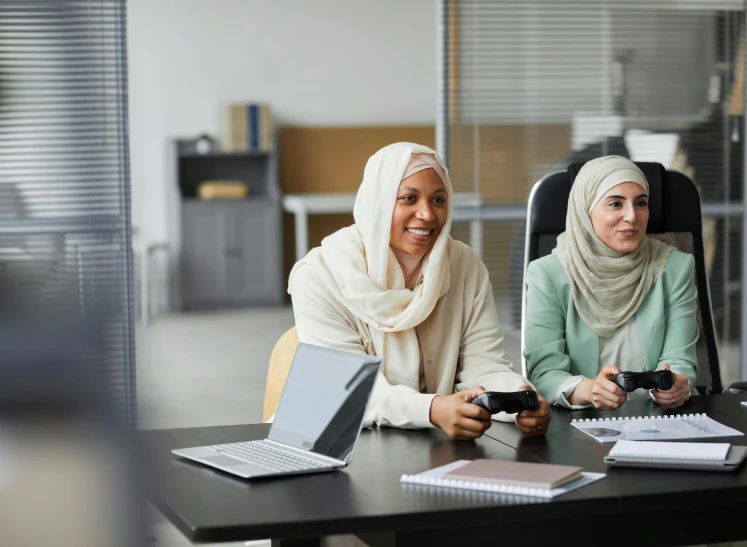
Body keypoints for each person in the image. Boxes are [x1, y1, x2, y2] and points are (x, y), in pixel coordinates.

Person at [288, 142, 551, 440]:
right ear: (379, 202)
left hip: (431, 441)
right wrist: (433, 409)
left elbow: (484, 365)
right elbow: (347, 390)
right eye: (409, 198)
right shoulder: (321, 275)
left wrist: (520, 397)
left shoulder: (464, 266)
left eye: (438, 200)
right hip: (338, 441)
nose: (427, 214)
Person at [524, 156, 698, 410]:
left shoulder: (675, 268)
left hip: (657, 419)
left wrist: (679, 384)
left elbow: (680, 361)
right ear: (586, 211)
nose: (632, 216)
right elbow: (544, 373)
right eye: (616, 204)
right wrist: (589, 390)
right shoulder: (547, 274)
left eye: (641, 203)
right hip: (578, 425)